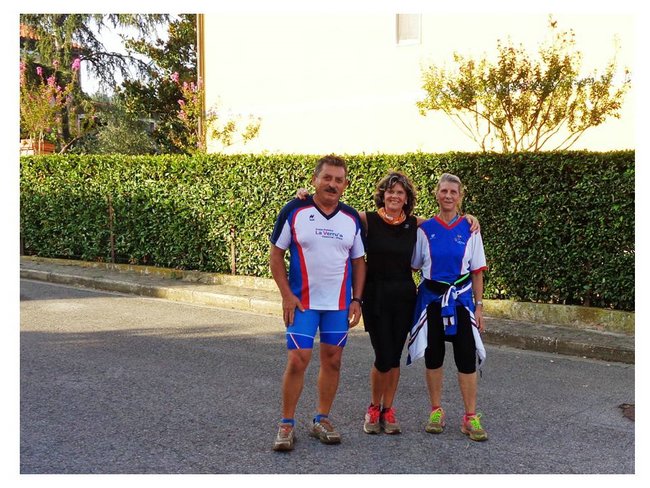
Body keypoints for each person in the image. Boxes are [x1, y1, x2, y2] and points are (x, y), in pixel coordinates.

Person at [296, 172, 479, 436]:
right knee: (382, 356)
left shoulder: (416, 224)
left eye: (400, 193)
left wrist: (470, 219)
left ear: (407, 198)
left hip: (404, 297)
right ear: (383, 195)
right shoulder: (367, 220)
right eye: (390, 191)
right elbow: (337, 209)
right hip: (375, 296)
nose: (394, 196)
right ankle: (373, 407)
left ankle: (388, 410)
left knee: (394, 356)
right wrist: (307, 199)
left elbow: (444, 224)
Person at [269, 154, 366, 451]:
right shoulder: (294, 210)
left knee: (333, 361)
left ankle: (321, 419)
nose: (332, 184)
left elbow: (359, 261)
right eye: (327, 178)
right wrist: (286, 294)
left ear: (345, 185)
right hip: (303, 304)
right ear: (314, 180)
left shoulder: (351, 218)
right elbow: (276, 255)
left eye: (339, 180)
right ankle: (286, 424)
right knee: (298, 360)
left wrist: (356, 299)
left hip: (338, 305)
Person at [408, 172, 488, 441]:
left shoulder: (471, 229)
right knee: (434, 356)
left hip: (461, 301)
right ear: (436, 194)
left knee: (466, 357)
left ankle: (470, 416)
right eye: (444, 191)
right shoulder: (424, 230)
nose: (448, 196)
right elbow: (414, 265)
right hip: (432, 300)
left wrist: (479, 306)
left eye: (454, 192)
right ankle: (436, 411)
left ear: (460, 196)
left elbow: (477, 271)